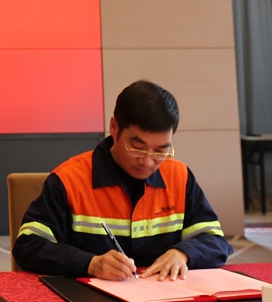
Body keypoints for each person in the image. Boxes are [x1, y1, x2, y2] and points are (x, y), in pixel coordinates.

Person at [13, 79, 233, 280]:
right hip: (88, 301)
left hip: (163, 298)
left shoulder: (179, 177)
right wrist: (90, 263)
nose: (147, 161)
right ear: (114, 127)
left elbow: (215, 241)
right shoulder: (69, 180)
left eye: (160, 151)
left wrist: (183, 253)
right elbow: (28, 246)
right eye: (137, 148)